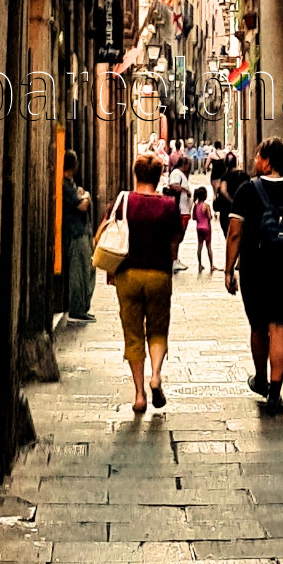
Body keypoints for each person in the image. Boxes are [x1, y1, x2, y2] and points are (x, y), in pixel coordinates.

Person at [225, 137, 283, 416]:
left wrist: (229, 269)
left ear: (267, 162)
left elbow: (235, 233)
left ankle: (261, 378)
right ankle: (275, 395)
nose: (255, 161)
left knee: (258, 327)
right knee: (280, 327)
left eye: (258, 156)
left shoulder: (247, 192)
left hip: (256, 269)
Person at [98, 153, 183, 413]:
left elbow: (103, 233)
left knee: (133, 334)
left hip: (128, 275)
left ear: (136, 175)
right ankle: (156, 375)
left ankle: (139, 395)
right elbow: (175, 239)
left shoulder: (123, 202)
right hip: (158, 274)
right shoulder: (169, 205)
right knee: (157, 330)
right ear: (158, 178)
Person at [62, 150, 96, 322]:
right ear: (74, 165)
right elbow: (81, 205)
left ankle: (81, 307)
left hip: (80, 231)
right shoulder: (65, 185)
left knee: (87, 269)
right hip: (75, 234)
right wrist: (87, 196)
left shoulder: (70, 183)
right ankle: (77, 309)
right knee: (79, 271)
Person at [168, 155, 192, 272]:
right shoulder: (177, 173)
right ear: (184, 164)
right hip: (180, 210)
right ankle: (173, 260)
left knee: (179, 237)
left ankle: (175, 259)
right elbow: (174, 186)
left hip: (184, 210)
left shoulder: (180, 173)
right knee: (176, 237)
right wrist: (186, 190)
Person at [216, 163, 249, 237]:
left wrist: (231, 200)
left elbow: (223, 191)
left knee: (227, 232)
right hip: (241, 208)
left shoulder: (225, 176)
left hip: (226, 209)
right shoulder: (245, 176)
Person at [192, 186, 218, 274]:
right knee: (209, 247)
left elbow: (193, 217)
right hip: (206, 228)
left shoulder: (195, 206)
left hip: (198, 228)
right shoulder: (206, 206)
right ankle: (211, 265)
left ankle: (199, 264)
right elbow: (209, 216)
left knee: (199, 246)